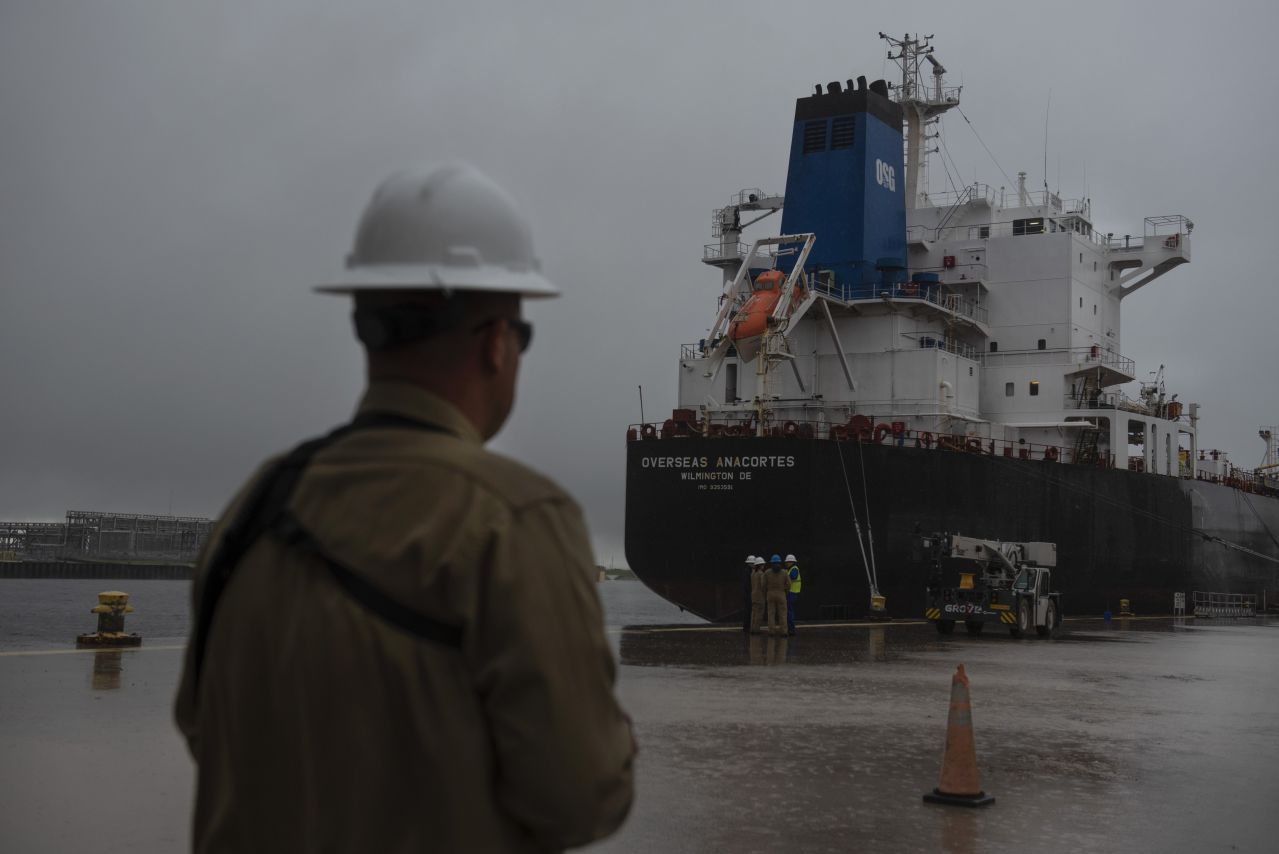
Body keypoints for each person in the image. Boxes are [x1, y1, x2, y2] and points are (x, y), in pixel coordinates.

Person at [173, 164, 635, 853]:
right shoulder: (516, 518)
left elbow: (199, 724)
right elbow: (579, 799)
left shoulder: (255, 504)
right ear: (496, 342)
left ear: (366, 329)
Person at [764, 554, 789, 636]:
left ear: (771, 563)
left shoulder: (767, 572)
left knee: (771, 614)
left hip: (770, 594)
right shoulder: (784, 572)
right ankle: (784, 631)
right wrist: (785, 590)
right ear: (780, 562)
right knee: (783, 614)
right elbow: (789, 584)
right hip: (781, 594)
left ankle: (771, 631)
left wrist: (766, 591)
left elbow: (763, 585)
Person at [784, 553, 802, 636]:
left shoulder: (794, 569)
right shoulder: (790, 569)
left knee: (790, 611)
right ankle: (790, 628)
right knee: (789, 611)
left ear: (792, 562)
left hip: (792, 593)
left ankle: (791, 629)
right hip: (791, 593)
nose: (786, 563)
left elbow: (792, 577)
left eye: (788, 562)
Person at [749, 556, 767, 634]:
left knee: (753, 613)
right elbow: (763, 585)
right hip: (760, 597)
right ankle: (756, 630)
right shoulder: (761, 574)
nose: (763, 566)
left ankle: (752, 629)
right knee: (759, 614)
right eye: (763, 565)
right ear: (760, 565)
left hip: (753, 596)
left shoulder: (753, 573)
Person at [741, 554, 756, 633]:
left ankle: (746, 626)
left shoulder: (746, 571)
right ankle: (747, 627)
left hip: (747, 594)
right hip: (748, 594)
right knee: (748, 611)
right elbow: (747, 585)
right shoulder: (749, 572)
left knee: (748, 611)